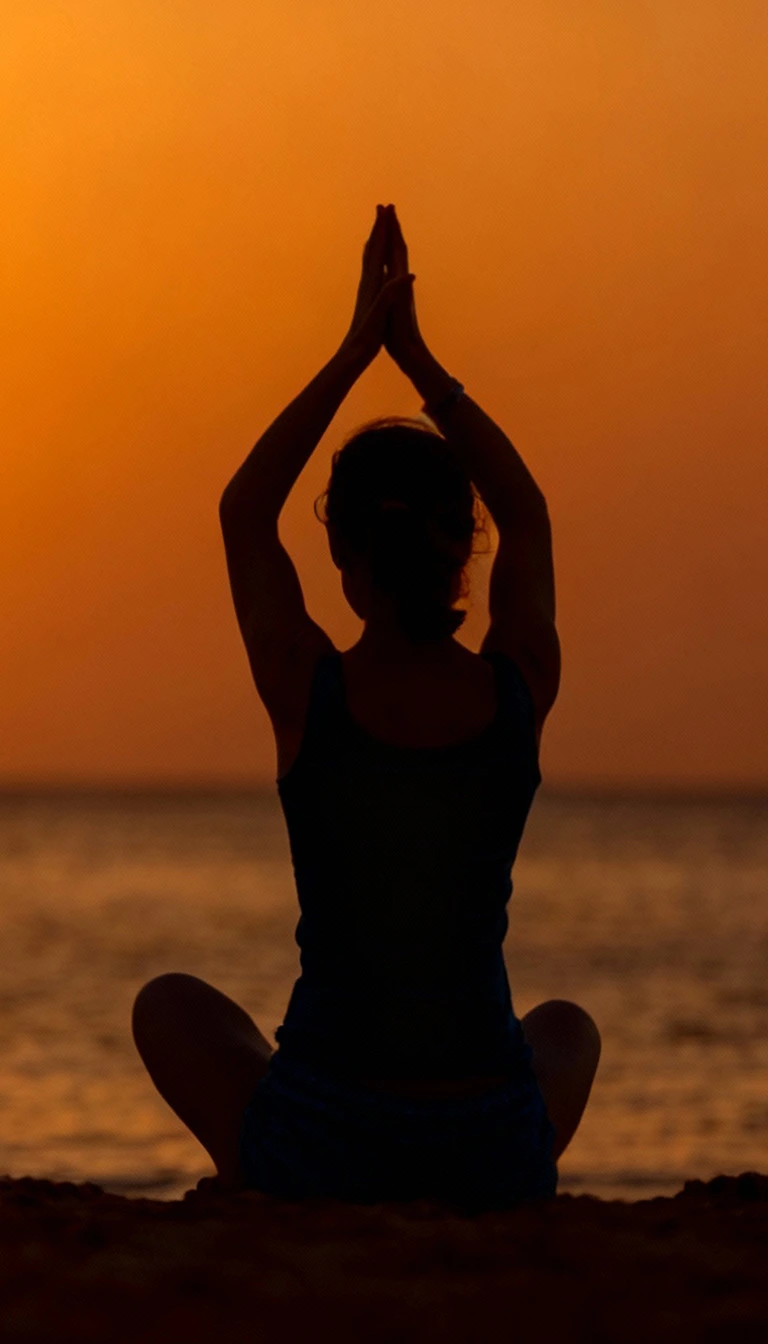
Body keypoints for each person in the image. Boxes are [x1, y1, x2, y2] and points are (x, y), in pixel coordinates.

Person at [132, 204, 601, 1209]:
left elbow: (243, 510)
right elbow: (529, 510)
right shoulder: (519, 682)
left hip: (323, 1143)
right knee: (568, 1031)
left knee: (169, 1005)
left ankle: (259, 1181)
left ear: (343, 559)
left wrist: (355, 350)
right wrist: (421, 364)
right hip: (487, 1152)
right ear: (463, 547)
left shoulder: (309, 690)